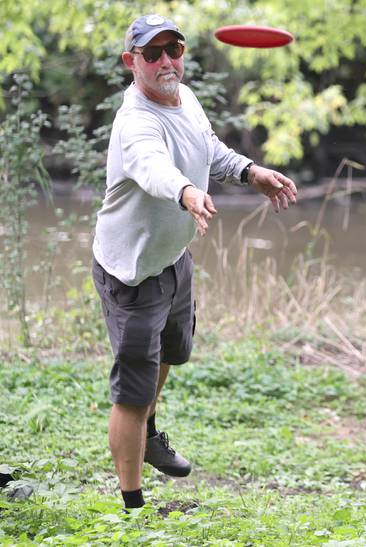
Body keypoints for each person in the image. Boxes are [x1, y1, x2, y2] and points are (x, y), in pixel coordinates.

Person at [91, 14, 298, 510]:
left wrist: (250, 172)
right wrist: (185, 192)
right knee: (132, 392)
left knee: (171, 354)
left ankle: (150, 428)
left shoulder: (185, 97)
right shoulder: (134, 121)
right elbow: (151, 165)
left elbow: (205, 147)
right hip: (133, 272)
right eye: (153, 53)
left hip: (173, 259)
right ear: (131, 62)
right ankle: (133, 506)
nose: (166, 61)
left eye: (174, 50)